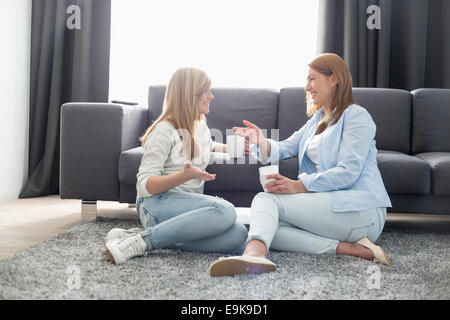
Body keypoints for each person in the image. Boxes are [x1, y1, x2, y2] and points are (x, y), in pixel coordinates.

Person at [209, 53, 393, 277]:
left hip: (359, 208)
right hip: (331, 207)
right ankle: (352, 249)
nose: (307, 87)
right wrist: (261, 141)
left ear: (334, 79)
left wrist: (299, 186)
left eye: (313, 79)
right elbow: (285, 148)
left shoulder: (356, 117)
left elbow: (348, 173)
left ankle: (254, 255)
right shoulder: (317, 121)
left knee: (265, 200)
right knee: (267, 224)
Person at [105, 68, 248, 264]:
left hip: (184, 212)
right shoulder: (164, 130)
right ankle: (144, 242)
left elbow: (208, 144)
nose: (211, 96)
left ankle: (141, 235)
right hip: (155, 205)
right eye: (205, 91)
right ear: (190, 94)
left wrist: (235, 148)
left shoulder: (200, 123)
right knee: (226, 210)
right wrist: (183, 176)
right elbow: (144, 186)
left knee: (239, 235)